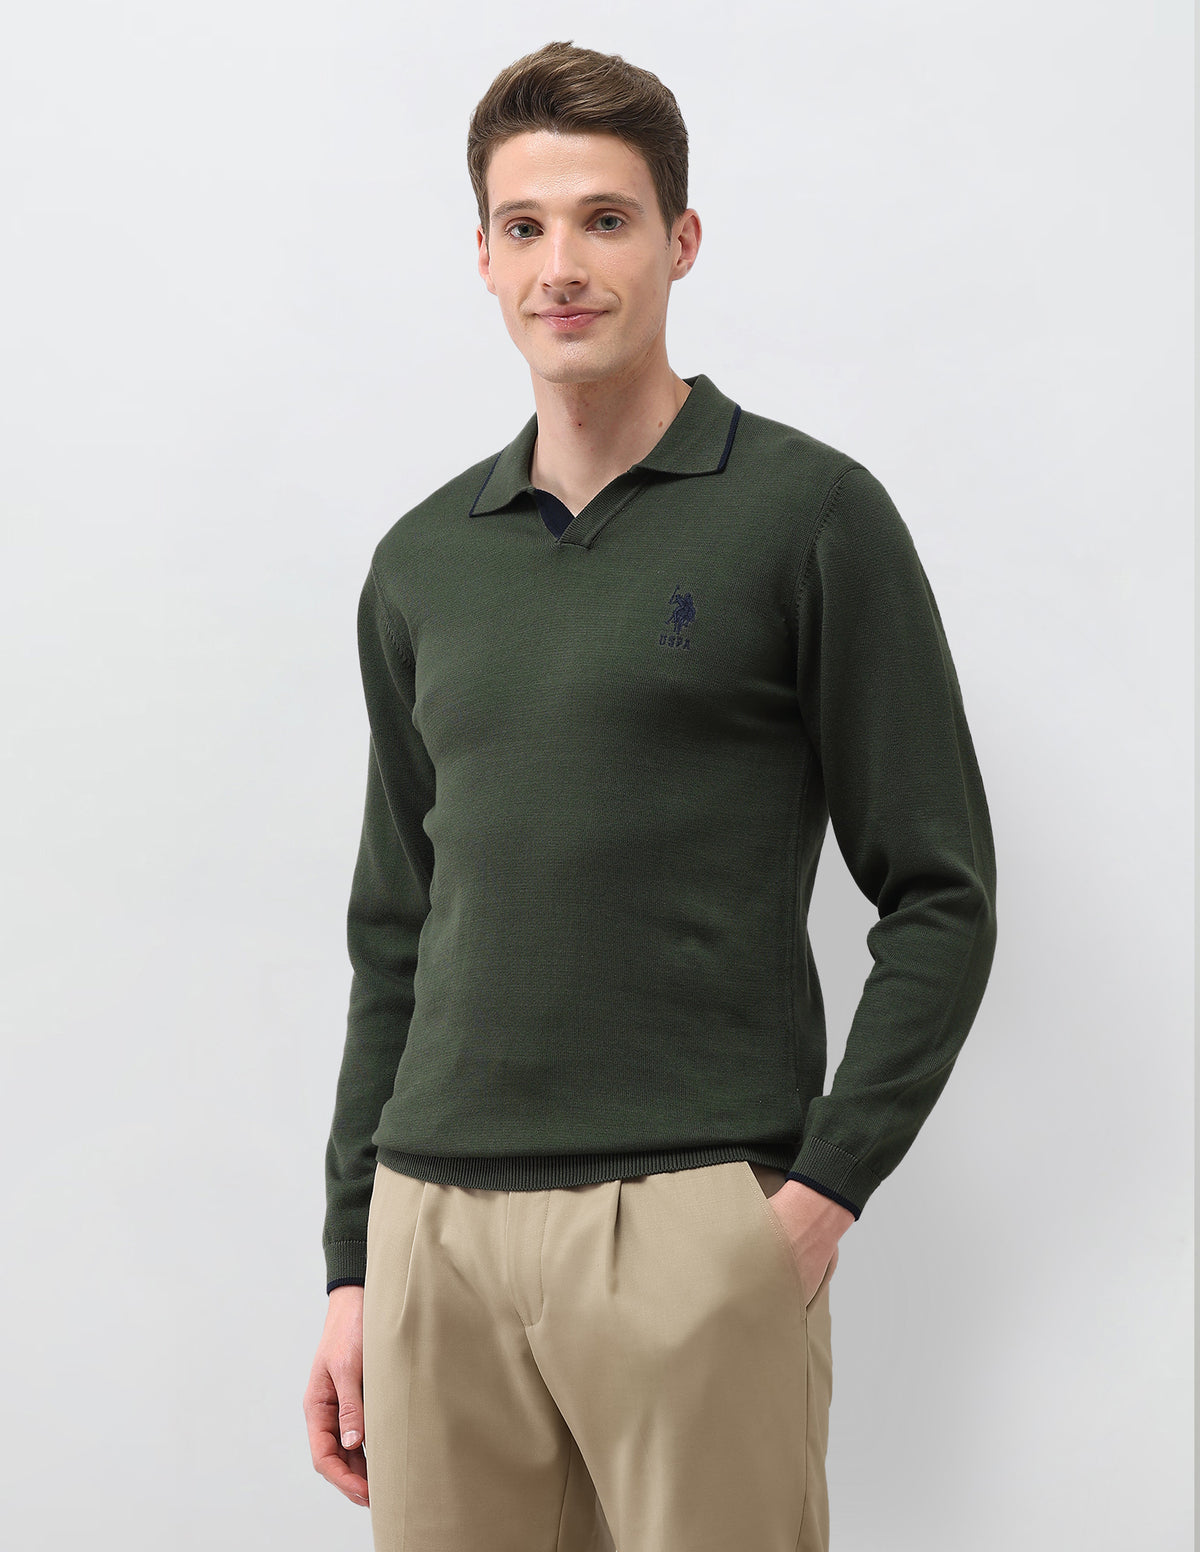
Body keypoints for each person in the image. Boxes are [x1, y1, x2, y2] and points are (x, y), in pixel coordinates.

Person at [302, 38, 997, 1552]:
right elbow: (395, 929)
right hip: (433, 1230)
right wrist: (355, 1262)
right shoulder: (423, 564)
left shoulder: (809, 516)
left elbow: (941, 889)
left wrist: (818, 1196)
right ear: (484, 257)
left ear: (680, 242)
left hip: (692, 1214)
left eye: (605, 220)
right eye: (526, 226)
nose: (563, 265)